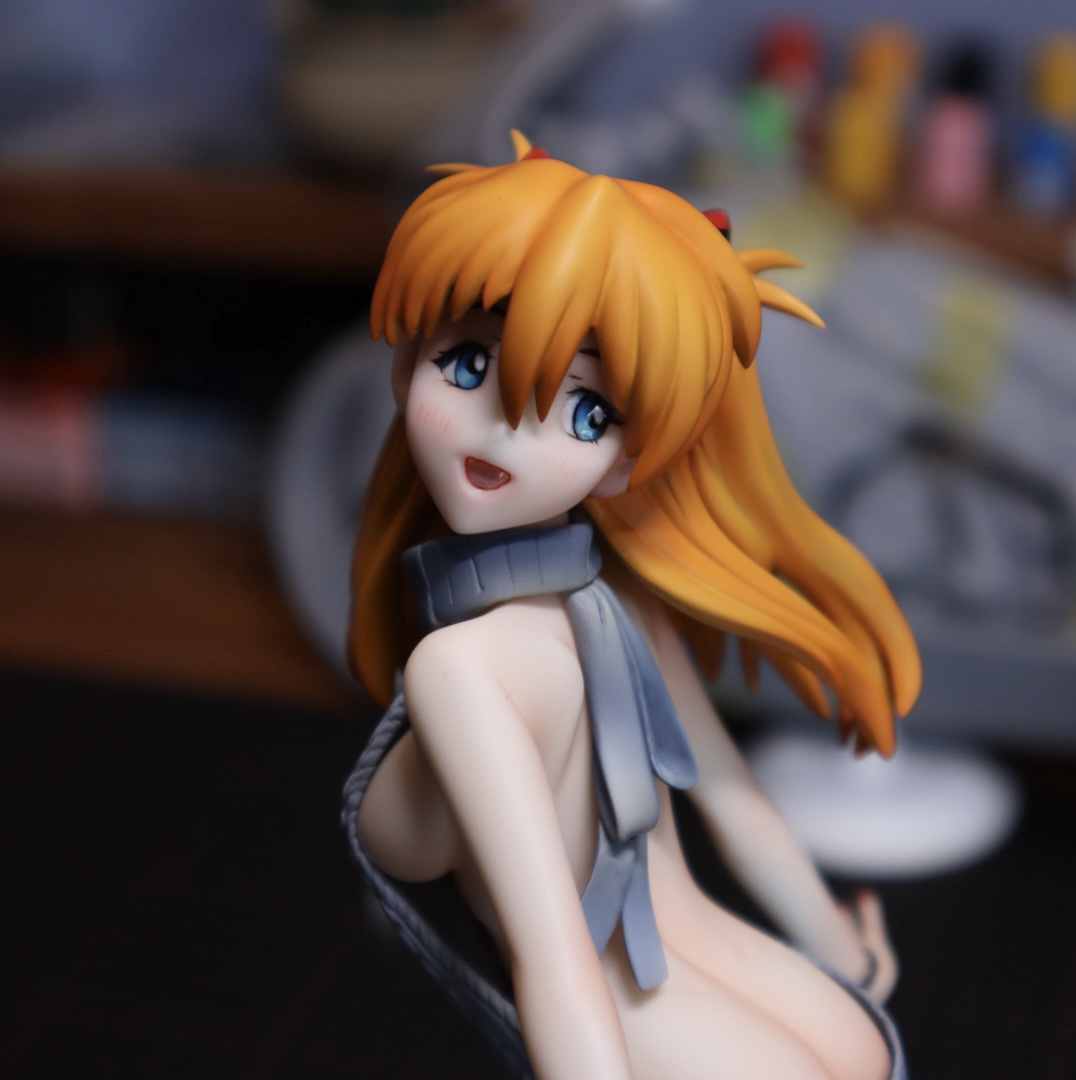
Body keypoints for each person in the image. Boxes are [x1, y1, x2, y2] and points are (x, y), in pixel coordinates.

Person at [343, 134, 920, 1080]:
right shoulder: (466, 667)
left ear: (624, 463)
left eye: (585, 412)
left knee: (861, 1050)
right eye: (468, 365)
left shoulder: (609, 604)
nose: (506, 432)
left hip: (676, 956)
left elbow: (729, 796)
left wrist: (841, 953)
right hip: (612, 1003)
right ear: (407, 366)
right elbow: (552, 958)